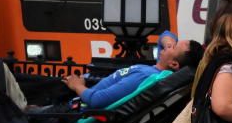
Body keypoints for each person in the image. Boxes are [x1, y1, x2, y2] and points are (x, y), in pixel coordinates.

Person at [63, 38, 203, 109]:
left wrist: (77, 86)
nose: (168, 45)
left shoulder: (146, 76)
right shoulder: (151, 71)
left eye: (174, 46)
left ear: (174, 64)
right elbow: (165, 36)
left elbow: (97, 100)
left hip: (74, 108)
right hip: (79, 96)